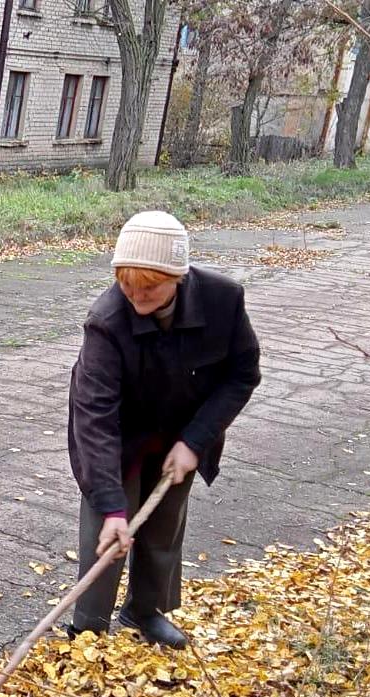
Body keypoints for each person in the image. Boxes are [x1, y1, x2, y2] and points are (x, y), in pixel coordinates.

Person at [66, 210, 260, 649]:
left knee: (164, 522)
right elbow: (93, 416)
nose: (135, 296)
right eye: (125, 284)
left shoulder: (223, 301)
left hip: (182, 433)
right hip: (120, 436)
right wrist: (114, 509)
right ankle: (89, 626)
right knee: (107, 526)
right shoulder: (106, 321)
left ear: (178, 276)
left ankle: (145, 610)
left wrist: (195, 441)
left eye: (148, 287)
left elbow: (242, 373)